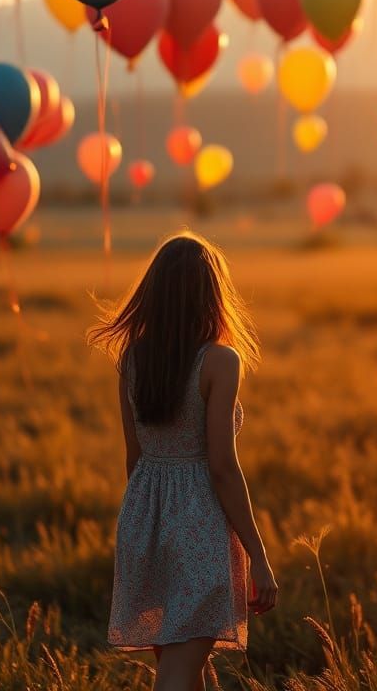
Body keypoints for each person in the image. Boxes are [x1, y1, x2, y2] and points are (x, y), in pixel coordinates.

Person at [88, 233, 278, 691]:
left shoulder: (132, 359)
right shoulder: (219, 361)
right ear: (210, 295)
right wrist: (258, 553)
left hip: (143, 515)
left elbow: (134, 457)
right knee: (178, 670)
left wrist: (147, 527)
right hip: (199, 521)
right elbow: (221, 466)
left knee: (187, 667)